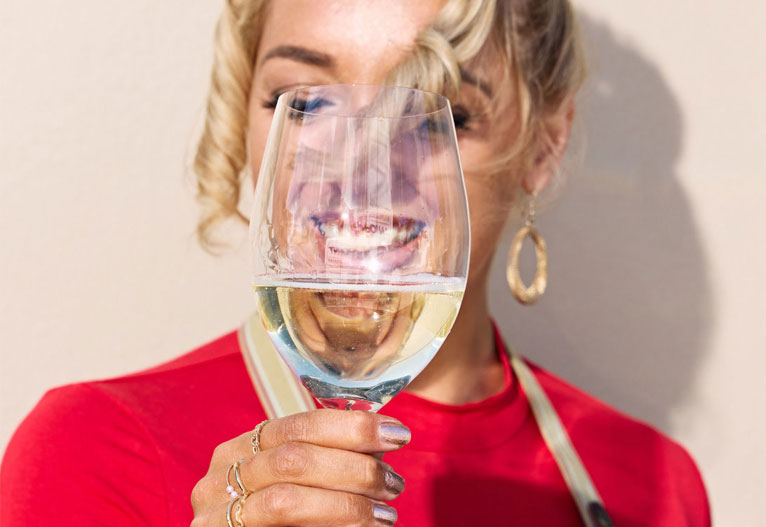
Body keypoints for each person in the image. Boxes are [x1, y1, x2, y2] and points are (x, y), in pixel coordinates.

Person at [1, 0, 711, 525]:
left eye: (444, 113)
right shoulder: (95, 451)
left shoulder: (655, 486)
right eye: (300, 104)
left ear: (544, 147)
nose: (358, 162)